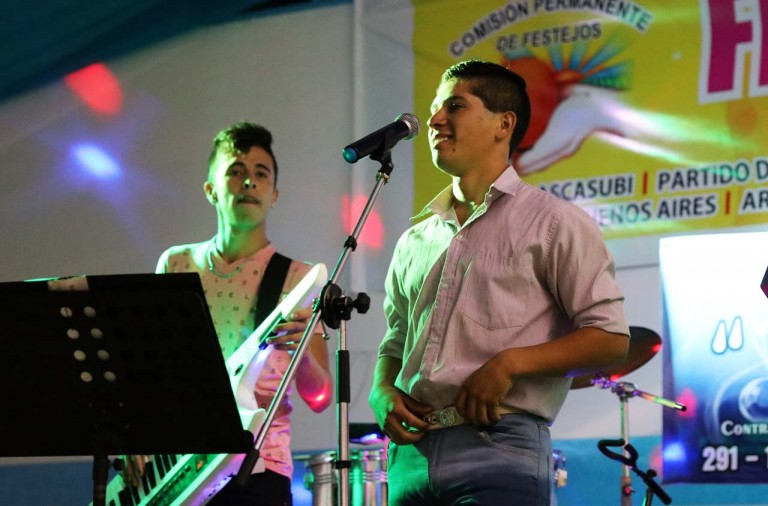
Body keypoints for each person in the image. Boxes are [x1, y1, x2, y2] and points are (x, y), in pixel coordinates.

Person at [368, 60, 630, 505]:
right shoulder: (415, 240)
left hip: (499, 444)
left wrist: (510, 364)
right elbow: (396, 341)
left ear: (503, 124)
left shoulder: (554, 223)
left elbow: (611, 339)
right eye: (434, 109)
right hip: (410, 456)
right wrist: (381, 390)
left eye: (454, 106)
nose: (435, 120)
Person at [143, 121, 332, 505]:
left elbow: (320, 397)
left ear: (274, 194)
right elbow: (154, 372)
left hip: (259, 470)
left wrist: (302, 355)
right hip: (178, 469)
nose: (249, 182)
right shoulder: (176, 264)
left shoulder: (298, 278)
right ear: (210, 190)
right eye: (236, 171)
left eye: (261, 174)